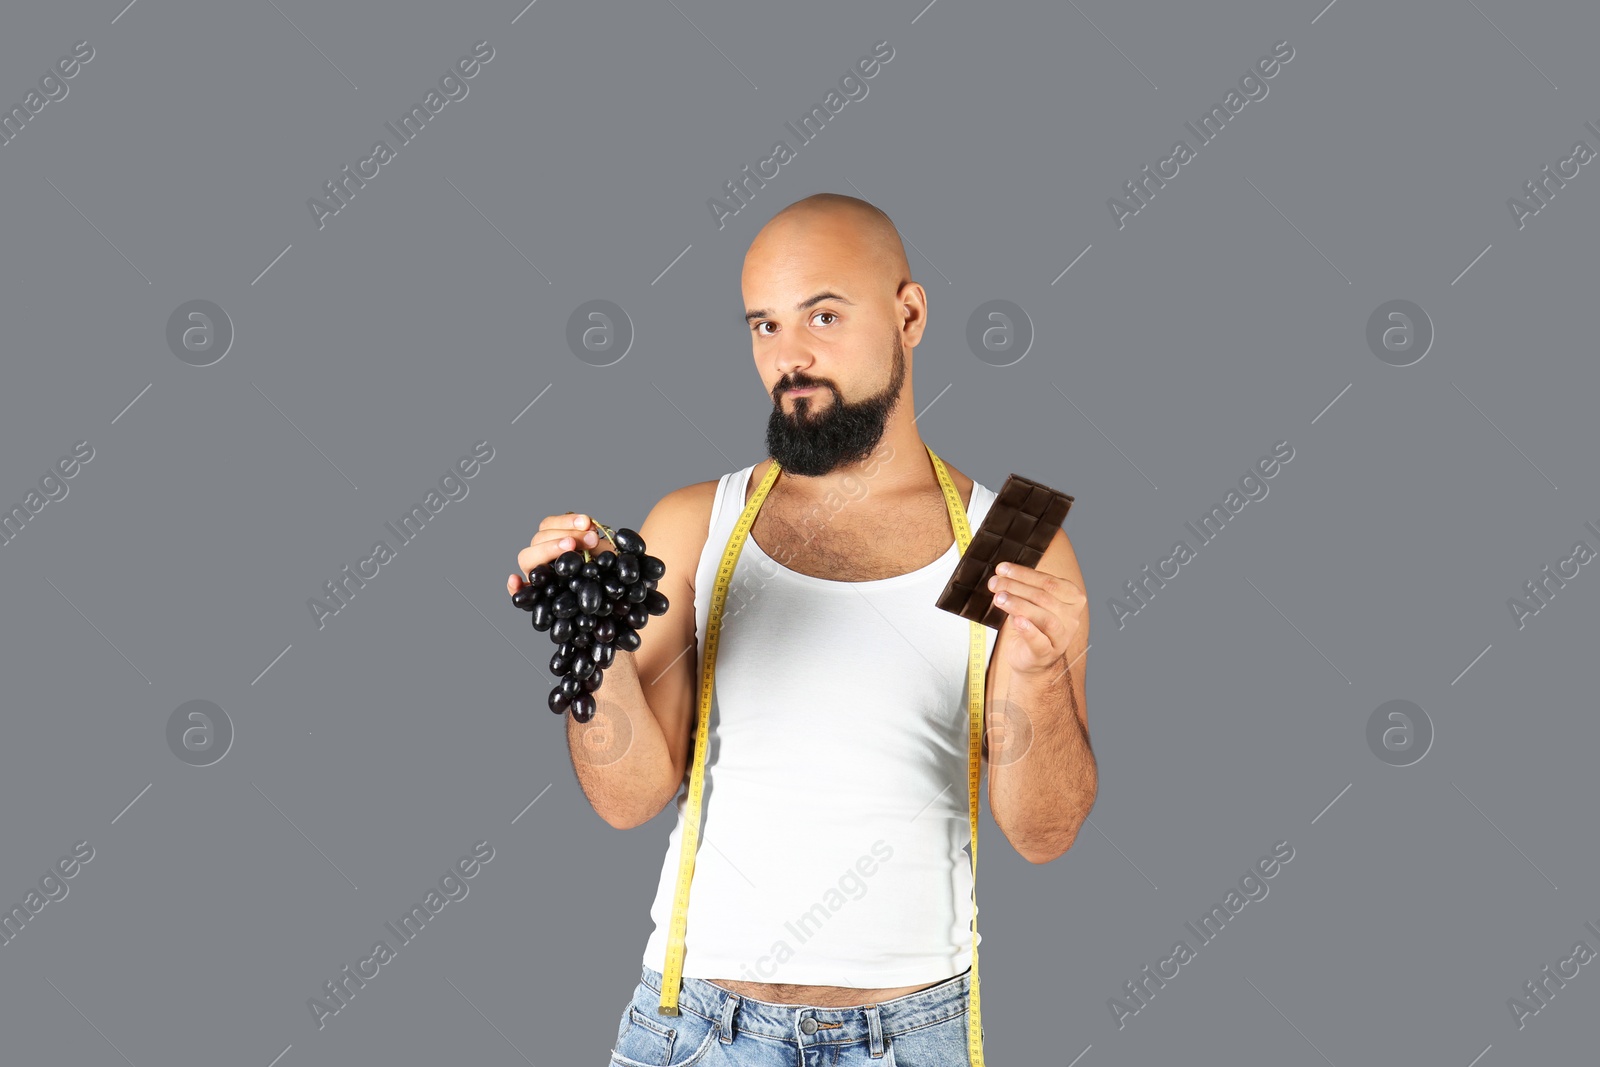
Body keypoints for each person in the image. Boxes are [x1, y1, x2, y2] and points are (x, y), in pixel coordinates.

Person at [509, 193, 1096, 1065]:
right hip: (700, 1032)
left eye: (823, 314)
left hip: (913, 1038)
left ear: (909, 314)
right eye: (764, 326)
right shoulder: (695, 526)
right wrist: (584, 634)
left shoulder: (1009, 541)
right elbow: (627, 798)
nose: (790, 358)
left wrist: (1042, 678)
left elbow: (1044, 833)